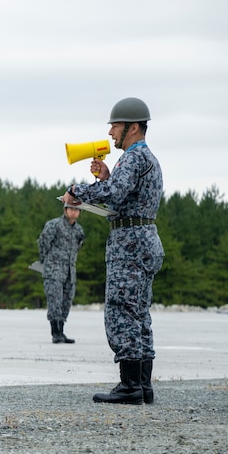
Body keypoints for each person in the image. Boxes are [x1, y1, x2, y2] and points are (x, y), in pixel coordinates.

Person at [64, 97, 163, 405]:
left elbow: (115, 194)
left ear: (133, 128)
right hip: (144, 237)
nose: (110, 132)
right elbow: (123, 193)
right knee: (138, 312)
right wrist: (108, 178)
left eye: (115, 126)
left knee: (121, 311)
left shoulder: (134, 158)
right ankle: (142, 385)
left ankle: (129, 387)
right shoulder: (146, 158)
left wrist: (77, 191)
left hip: (130, 242)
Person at [38, 202, 85, 344]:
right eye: (71, 209)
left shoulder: (79, 230)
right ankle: (56, 333)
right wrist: (45, 262)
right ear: (65, 209)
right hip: (54, 270)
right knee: (55, 301)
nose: (74, 212)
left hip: (70, 272)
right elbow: (43, 243)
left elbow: (77, 249)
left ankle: (62, 331)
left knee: (66, 301)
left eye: (77, 210)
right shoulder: (54, 225)